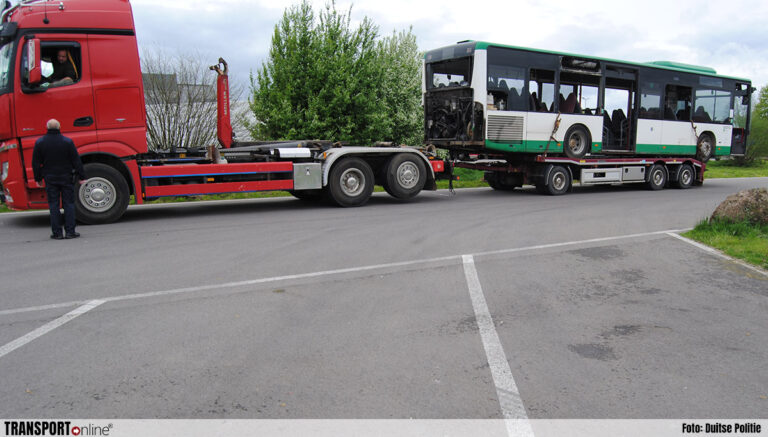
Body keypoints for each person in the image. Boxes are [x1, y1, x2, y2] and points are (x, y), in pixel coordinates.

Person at [32, 119, 86, 240]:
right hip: (66, 176)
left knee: (53, 205)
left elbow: (36, 163)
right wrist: (81, 176)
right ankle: (70, 232)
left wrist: (38, 178)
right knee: (69, 204)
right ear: (60, 126)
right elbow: (76, 160)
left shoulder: (40, 143)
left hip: (50, 177)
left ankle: (57, 233)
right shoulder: (67, 142)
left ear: (46, 127)